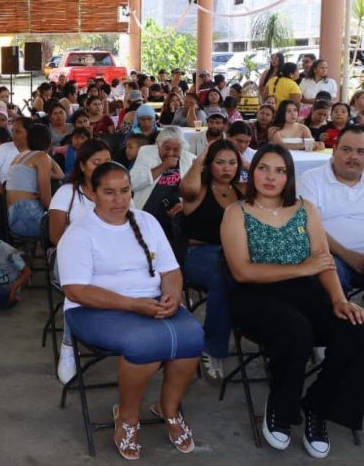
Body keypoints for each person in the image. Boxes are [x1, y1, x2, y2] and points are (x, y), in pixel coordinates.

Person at [220, 144, 364, 457]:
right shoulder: (236, 213)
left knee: (354, 328)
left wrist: (340, 300)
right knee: (296, 330)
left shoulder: (305, 209)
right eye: (263, 168)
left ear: (289, 177)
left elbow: (322, 259)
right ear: (253, 171)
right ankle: (281, 408)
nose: (270, 177)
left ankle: (317, 406)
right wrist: (303, 268)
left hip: (305, 291)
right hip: (255, 296)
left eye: (280, 170)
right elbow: (242, 272)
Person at [58, 162, 204, 460]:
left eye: (125, 191)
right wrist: (133, 304)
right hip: (92, 308)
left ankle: (169, 407)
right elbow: (76, 291)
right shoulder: (80, 233)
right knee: (145, 345)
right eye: (109, 192)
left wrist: (172, 297)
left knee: (192, 335)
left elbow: (171, 271)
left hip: (148, 303)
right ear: (91, 192)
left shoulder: (147, 221)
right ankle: (127, 416)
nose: (119, 199)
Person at [48, 139, 113, 383]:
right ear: (83, 165)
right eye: (97, 162)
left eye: (108, 161)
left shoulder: (116, 193)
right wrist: (88, 253)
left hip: (108, 260)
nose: (104, 166)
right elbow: (56, 236)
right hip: (68, 256)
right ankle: (68, 344)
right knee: (79, 281)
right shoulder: (67, 193)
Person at [179, 139, 244, 383]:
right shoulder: (199, 190)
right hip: (198, 254)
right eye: (220, 163)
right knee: (225, 278)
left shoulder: (242, 190)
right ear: (209, 164)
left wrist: (243, 157)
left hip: (233, 253)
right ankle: (212, 348)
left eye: (232, 163)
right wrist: (200, 158)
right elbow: (186, 189)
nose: (227, 168)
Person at [298, 126, 364, 295]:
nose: (354, 157)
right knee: (325, 273)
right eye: (347, 150)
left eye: (361, 152)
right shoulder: (311, 179)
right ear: (334, 150)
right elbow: (307, 227)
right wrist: (348, 255)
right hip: (332, 257)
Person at [6, 124, 63, 239]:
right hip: (30, 217)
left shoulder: (18, 157)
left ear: (27, 140)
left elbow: (59, 175)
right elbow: (46, 199)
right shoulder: (41, 157)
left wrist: (45, 154)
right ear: (50, 141)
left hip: (12, 219)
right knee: (69, 225)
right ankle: (53, 254)